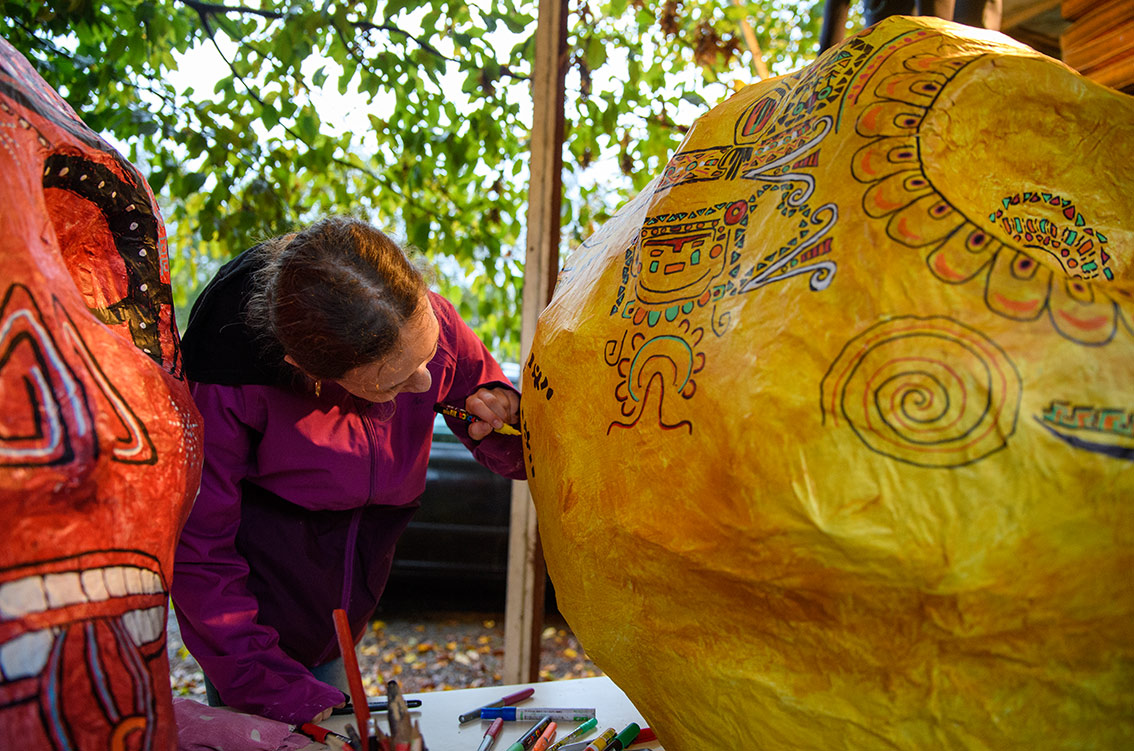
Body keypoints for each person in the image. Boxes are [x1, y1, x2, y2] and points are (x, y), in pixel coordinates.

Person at [171, 216, 526, 724]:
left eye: (428, 354)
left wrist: (503, 411)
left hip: (338, 621)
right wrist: (270, 686)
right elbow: (199, 556)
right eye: (392, 383)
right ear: (310, 371)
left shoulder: (411, 313)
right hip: (253, 634)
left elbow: (512, 442)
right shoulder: (227, 379)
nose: (426, 385)